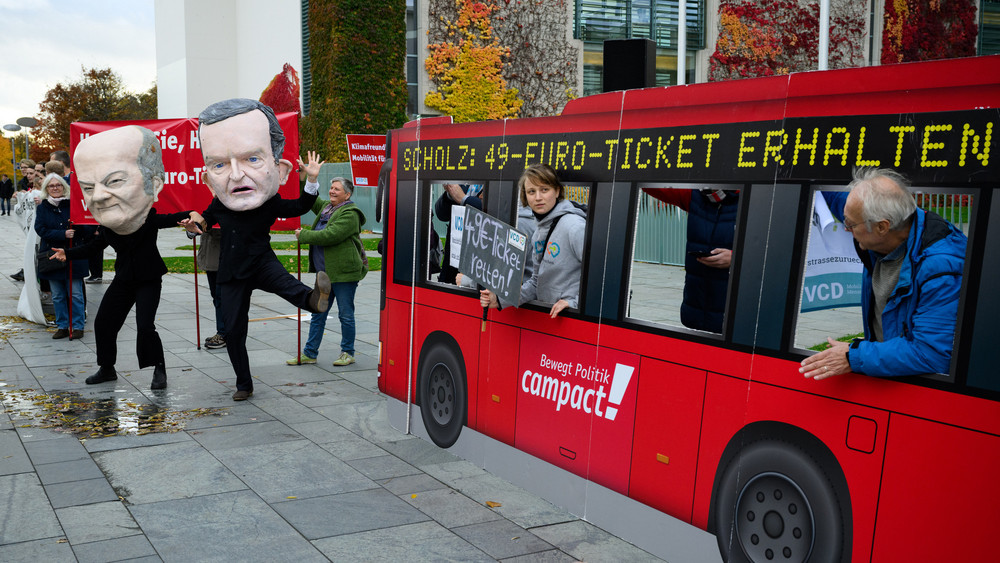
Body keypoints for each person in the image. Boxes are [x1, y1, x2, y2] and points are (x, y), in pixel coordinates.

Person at [182, 98, 330, 401]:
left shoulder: (269, 200)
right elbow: (206, 219)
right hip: (232, 270)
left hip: (261, 260)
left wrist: (312, 179)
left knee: (288, 286)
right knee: (235, 331)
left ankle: (315, 301)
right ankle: (243, 384)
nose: (237, 175)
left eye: (250, 160)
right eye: (222, 165)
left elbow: (300, 206)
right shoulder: (220, 201)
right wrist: (194, 222)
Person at [51, 125, 197, 390]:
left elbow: (177, 217)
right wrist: (67, 254)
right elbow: (93, 247)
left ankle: (159, 370)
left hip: (149, 279)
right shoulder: (109, 226)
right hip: (124, 279)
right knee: (104, 322)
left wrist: (194, 218)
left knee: (145, 327)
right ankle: (107, 368)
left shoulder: (148, 219)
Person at [800, 167, 967, 379]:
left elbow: (930, 354)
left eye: (850, 224)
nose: (845, 228)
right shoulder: (880, 218)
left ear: (881, 227)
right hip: (888, 368)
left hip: (918, 389)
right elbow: (841, 201)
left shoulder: (942, 269)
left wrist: (853, 357)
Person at [480, 163, 586, 318]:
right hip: (551, 320)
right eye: (531, 191)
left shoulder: (574, 227)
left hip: (573, 320)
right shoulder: (538, 232)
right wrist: (499, 299)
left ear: (557, 191)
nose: (538, 197)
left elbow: (601, 279)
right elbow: (536, 283)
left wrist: (574, 303)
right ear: (525, 197)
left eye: (544, 189)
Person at [288, 176, 367, 367]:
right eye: (331, 187)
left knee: (345, 315)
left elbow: (331, 235)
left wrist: (304, 235)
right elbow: (311, 198)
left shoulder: (350, 213)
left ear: (347, 194)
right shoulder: (327, 208)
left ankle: (348, 352)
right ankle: (310, 353)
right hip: (324, 274)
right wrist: (305, 179)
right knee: (318, 313)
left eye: (337, 189)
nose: (332, 191)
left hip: (344, 273)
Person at [643, 187, 738, 333]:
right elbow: (651, 184)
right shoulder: (695, 196)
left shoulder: (756, 199)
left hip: (733, 316)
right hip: (696, 309)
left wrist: (737, 258)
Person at [34, 174, 88, 339]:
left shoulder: (73, 204)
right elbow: (40, 229)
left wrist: (75, 232)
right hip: (52, 256)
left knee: (76, 294)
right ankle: (63, 325)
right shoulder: (43, 207)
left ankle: (78, 326)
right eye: (51, 186)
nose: (55, 188)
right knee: (57, 295)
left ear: (64, 186)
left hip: (73, 254)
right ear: (46, 189)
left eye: (58, 185)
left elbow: (84, 227)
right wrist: (62, 233)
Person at [434, 183, 483, 284]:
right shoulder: (466, 183)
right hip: (453, 262)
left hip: (477, 265)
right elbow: (441, 214)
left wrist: (464, 199)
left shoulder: (497, 181)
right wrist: (450, 194)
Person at [197, 227, 227, 349]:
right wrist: (193, 229)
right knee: (216, 296)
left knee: (221, 297)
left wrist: (206, 228)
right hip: (210, 257)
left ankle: (223, 333)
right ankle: (222, 331)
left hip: (222, 258)